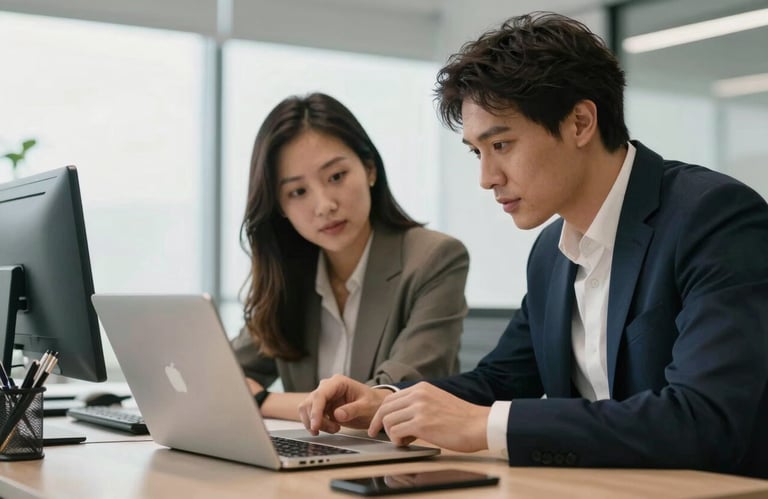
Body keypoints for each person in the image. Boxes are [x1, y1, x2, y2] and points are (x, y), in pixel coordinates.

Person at [298, 13, 768, 478]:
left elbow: (704, 419)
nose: (487, 178)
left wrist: (488, 425)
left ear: (580, 123)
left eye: (501, 145)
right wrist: (387, 401)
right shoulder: (551, 253)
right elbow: (498, 380)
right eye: (476, 152)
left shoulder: (712, 217)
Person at [231, 92, 469, 421]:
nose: (324, 204)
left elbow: (392, 397)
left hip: (398, 465)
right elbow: (223, 379)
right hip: (312, 460)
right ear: (280, 207)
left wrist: (263, 401)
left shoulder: (435, 259)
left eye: (336, 177)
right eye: (298, 192)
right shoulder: (292, 275)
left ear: (369, 169)